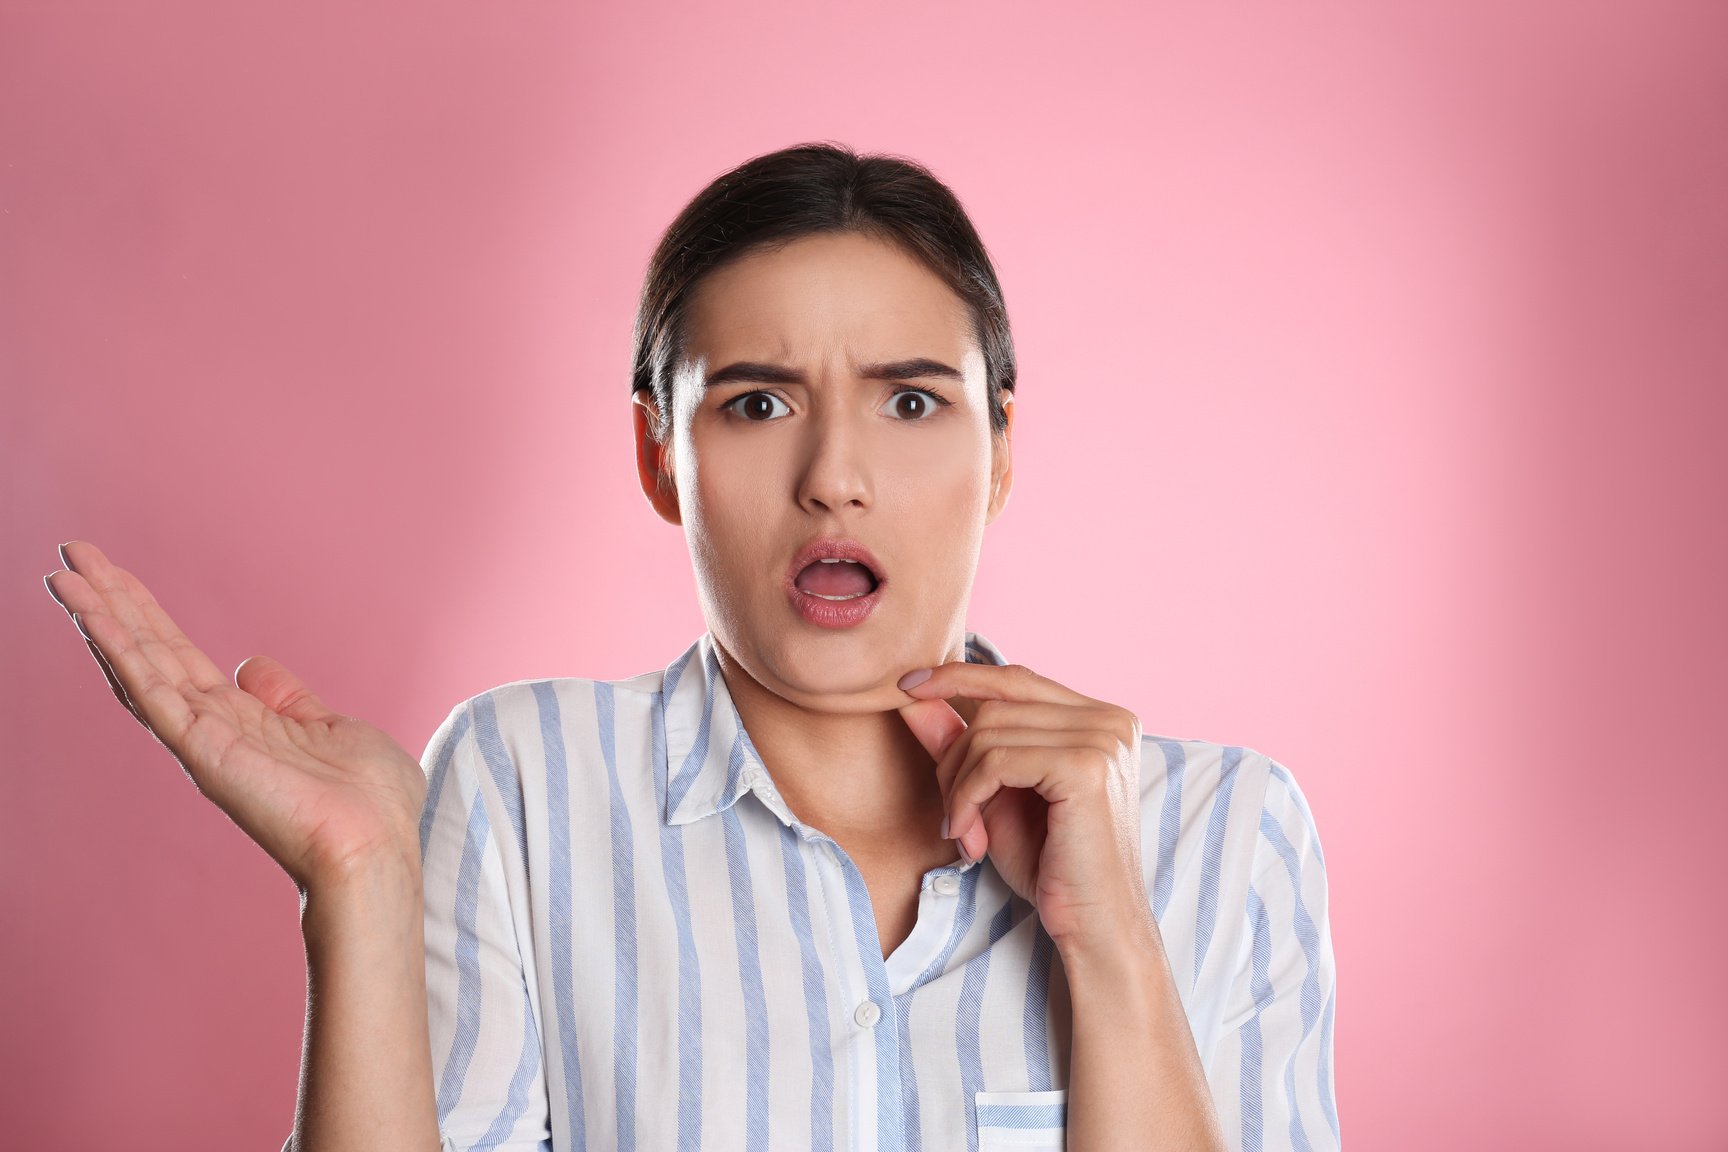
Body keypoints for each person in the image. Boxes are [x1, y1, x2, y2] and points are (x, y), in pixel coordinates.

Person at [44, 142, 1337, 1151]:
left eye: (910, 400)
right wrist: (362, 886)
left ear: (1002, 449)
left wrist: (1108, 939)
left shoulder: (1229, 831)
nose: (835, 477)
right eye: (758, 402)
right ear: (660, 456)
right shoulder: (524, 784)